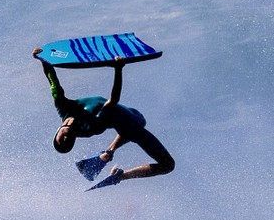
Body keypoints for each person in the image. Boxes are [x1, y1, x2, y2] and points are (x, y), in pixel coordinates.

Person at [32, 47, 175, 188]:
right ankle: (120, 174)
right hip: (131, 123)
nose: (65, 138)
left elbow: (53, 81)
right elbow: (112, 101)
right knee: (168, 165)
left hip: (130, 116)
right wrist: (118, 69)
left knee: (133, 122)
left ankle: (107, 154)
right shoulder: (90, 126)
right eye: (68, 142)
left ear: (57, 131)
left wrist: (43, 60)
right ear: (74, 139)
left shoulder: (63, 107)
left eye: (61, 140)